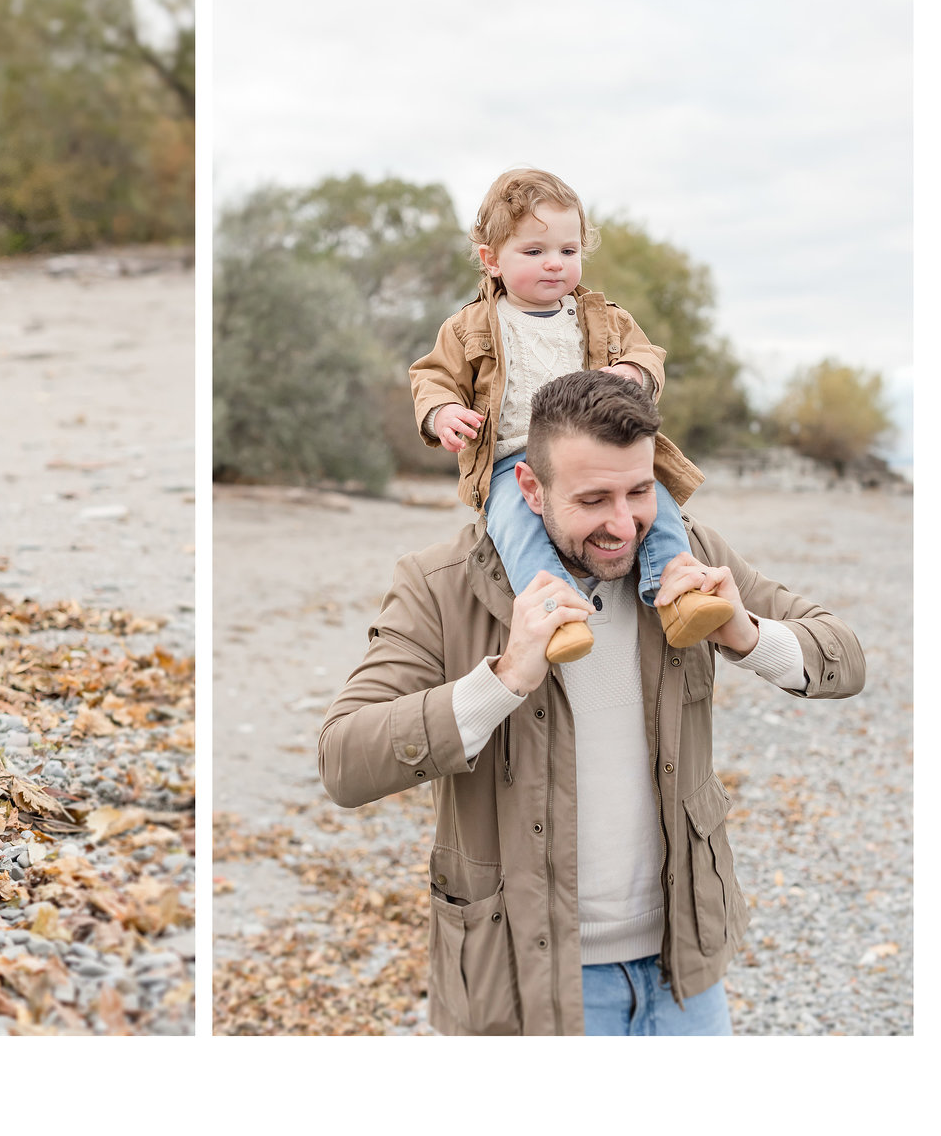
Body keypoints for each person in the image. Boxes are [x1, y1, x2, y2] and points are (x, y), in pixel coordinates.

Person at [319, 371, 864, 1035]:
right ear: (529, 488)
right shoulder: (438, 586)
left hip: (684, 979)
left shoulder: (690, 555)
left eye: (639, 492)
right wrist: (504, 678)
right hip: (524, 985)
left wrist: (745, 634)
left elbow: (843, 657)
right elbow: (343, 761)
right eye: (593, 498)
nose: (622, 522)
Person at [410, 167, 733, 663]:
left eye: (568, 251)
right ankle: (556, 613)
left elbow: (649, 355)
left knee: (659, 507)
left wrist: (632, 372)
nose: (555, 264)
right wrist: (443, 412)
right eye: (534, 252)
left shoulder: (604, 318)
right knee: (516, 526)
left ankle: (678, 589)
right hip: (510, 458)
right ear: (491, 260)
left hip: (598, 455)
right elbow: (431, 376)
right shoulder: (469, 326)